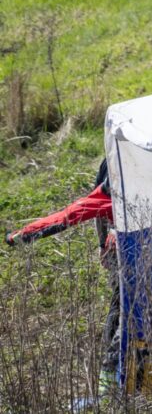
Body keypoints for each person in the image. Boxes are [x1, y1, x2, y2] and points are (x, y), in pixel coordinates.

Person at [5, 160, 119, 396]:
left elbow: (70, 214)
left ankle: (112, 380)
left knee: (122, 314)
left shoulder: (114, 173)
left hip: (132, 254)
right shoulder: (114, 171)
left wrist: (20, 236)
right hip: (139, 254)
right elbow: (79, 211)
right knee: (121, 313)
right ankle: (110, 380)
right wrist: (102, 244)